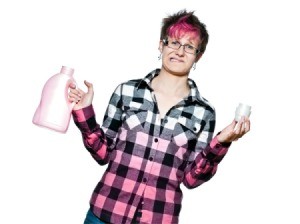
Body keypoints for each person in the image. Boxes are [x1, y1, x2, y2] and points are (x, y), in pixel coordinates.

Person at [69, 9, 250, 224]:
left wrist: (221, 142)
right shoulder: (126, 92)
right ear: (161, 45)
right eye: (173, 42)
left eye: (189, 46)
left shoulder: (204, 112)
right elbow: (103, 155)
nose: (180, 51)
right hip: (105, 214)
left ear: (198, 56)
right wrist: (85, 114)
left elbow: (191, 179)